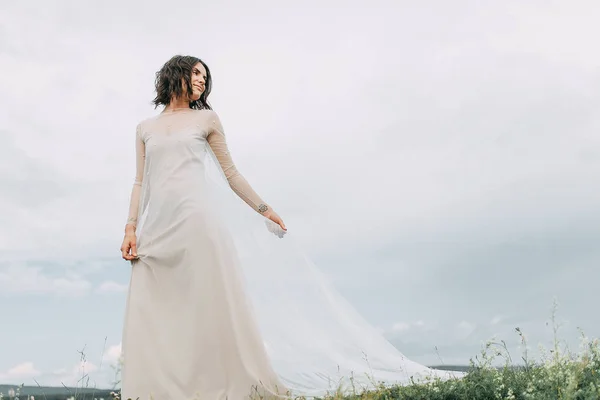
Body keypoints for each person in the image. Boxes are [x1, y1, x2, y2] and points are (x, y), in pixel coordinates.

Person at [119, 55, 458, 400]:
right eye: (196, 73)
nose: (203, 80)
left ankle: (211, 386)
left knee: (205, 306)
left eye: (206, 76)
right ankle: (160, 389)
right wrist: (131, 229)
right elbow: (139, 182)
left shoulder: (207, 118)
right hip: (157, 229)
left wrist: (265, 209)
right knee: (157, 309)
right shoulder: (145, 128)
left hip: (197, 222)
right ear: (176, 73)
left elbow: (231, 174)